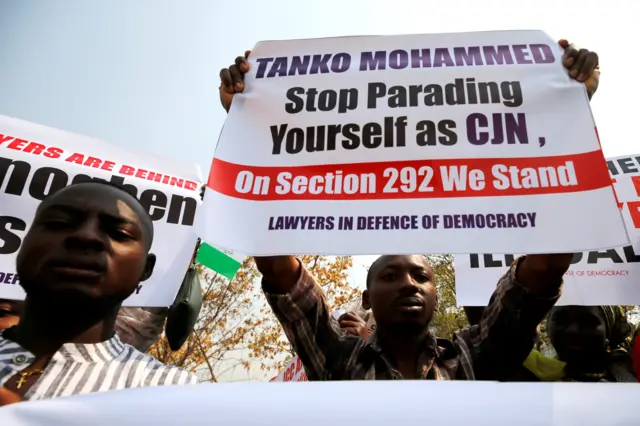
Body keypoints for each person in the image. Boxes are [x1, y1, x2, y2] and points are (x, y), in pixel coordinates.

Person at [219, 40, 599, 380]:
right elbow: (278, 269)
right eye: (389, 276)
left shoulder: (474, 357)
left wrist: (567, 111)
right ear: (365, 299)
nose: (408, 284)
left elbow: (545, 268)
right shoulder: (338, 359)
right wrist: (250, 122)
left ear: (436, 295)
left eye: (421, 276)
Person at [0, 181, 197, 404]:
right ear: (23, 242)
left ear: (146, 269)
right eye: (58, 223)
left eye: (119, 233)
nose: (85, 236)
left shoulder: (174, 395)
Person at [465, 305, 637, 382]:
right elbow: (488, 327)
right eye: (561, 319)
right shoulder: (531, 373)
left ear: (609, 329)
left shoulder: (633, 373)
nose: (572, 330)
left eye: (588, 321)